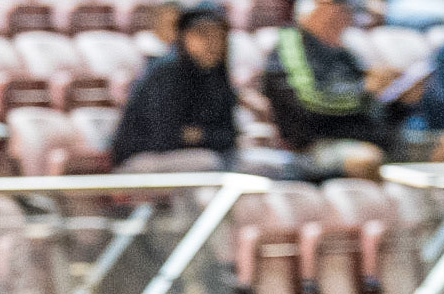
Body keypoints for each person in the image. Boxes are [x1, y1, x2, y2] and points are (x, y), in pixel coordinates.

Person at [262, 0, 409, 178]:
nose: (346, 20)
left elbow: (372, 107)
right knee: (366, 159)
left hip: (367, 135)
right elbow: (308, 100)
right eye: (342, 11)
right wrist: (365, 90)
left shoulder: (342, 50)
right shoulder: (291, 43)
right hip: (314, 144)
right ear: (319, 9)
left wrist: (402, 100)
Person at [110, 3, 240, 170]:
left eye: (218, 36)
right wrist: (204, 136)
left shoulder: (217, 76)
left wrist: (199, 135)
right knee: (209, 162)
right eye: (203, 35)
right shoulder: (165, 73)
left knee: (267, 164)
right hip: (140, 160)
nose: (211, 43)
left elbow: (229, 135)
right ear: (184, 37)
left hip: (197, 155)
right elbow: (164, 138)